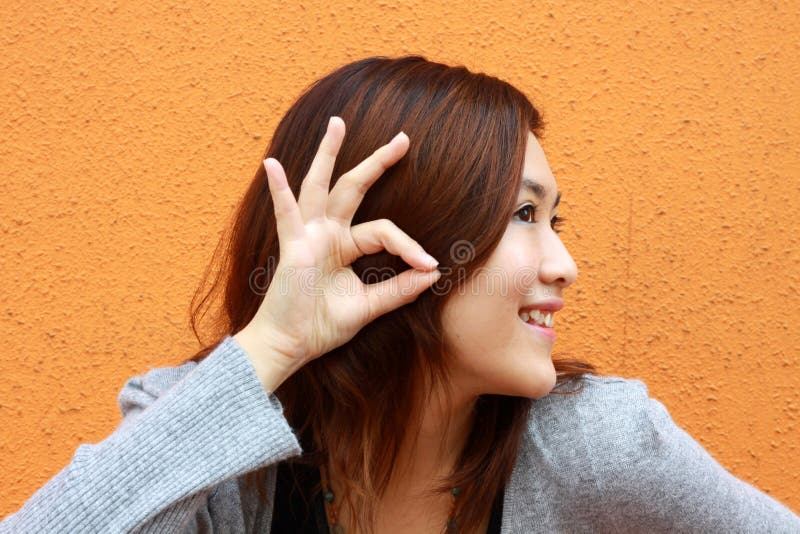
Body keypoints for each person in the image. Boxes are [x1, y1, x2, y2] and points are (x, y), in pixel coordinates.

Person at [2, 55, 798, 534]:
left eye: (556, 217)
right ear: (391, 239)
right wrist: (273, 345)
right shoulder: (211, 447)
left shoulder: (596, 446)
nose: (564, 265)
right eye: (524, 216)